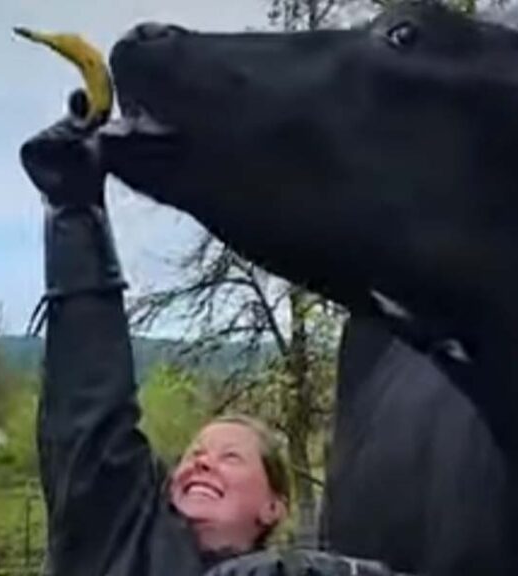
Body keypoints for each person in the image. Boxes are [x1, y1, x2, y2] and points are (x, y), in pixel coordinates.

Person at [21, 95, 398, 576]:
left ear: (273, 507)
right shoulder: (121, 542)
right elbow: (87, 411)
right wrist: (74, 212)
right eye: (195, 454)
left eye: (230, 458)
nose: (202, 462)